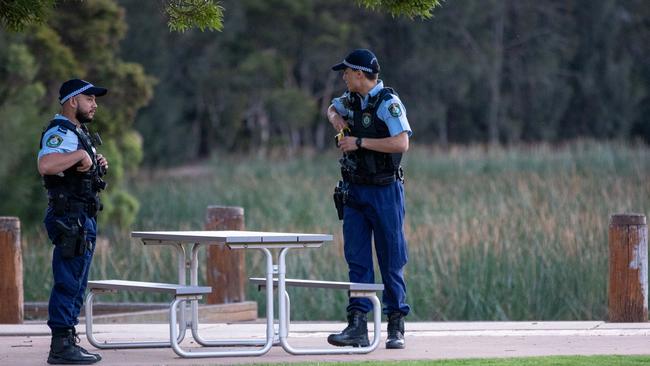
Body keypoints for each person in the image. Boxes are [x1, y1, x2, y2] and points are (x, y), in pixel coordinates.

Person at [326, 49, 412, 349]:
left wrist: (359, 142)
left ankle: (396, 325)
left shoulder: (388, 103)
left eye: (347, 72)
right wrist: (338, 122)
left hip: (384, 191)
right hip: (354, 192)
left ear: (360, 74)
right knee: (357, 259)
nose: (343, 77)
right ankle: (358, 325)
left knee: (391, 258)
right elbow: (330, 109)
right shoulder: (350, 101)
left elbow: (402, 142)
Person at [38, 79, 109, 365]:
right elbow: (46, 165)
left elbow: (75, 167)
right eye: (89, 98)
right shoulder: (60, 131)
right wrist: (81, 155)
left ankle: (68, 342)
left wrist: (95, 160)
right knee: (68, 281)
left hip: (82, 217)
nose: (95, 104)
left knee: (77, 282)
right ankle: (60, 347)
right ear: (72, 101)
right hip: (70, 218)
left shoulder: (79, 132)